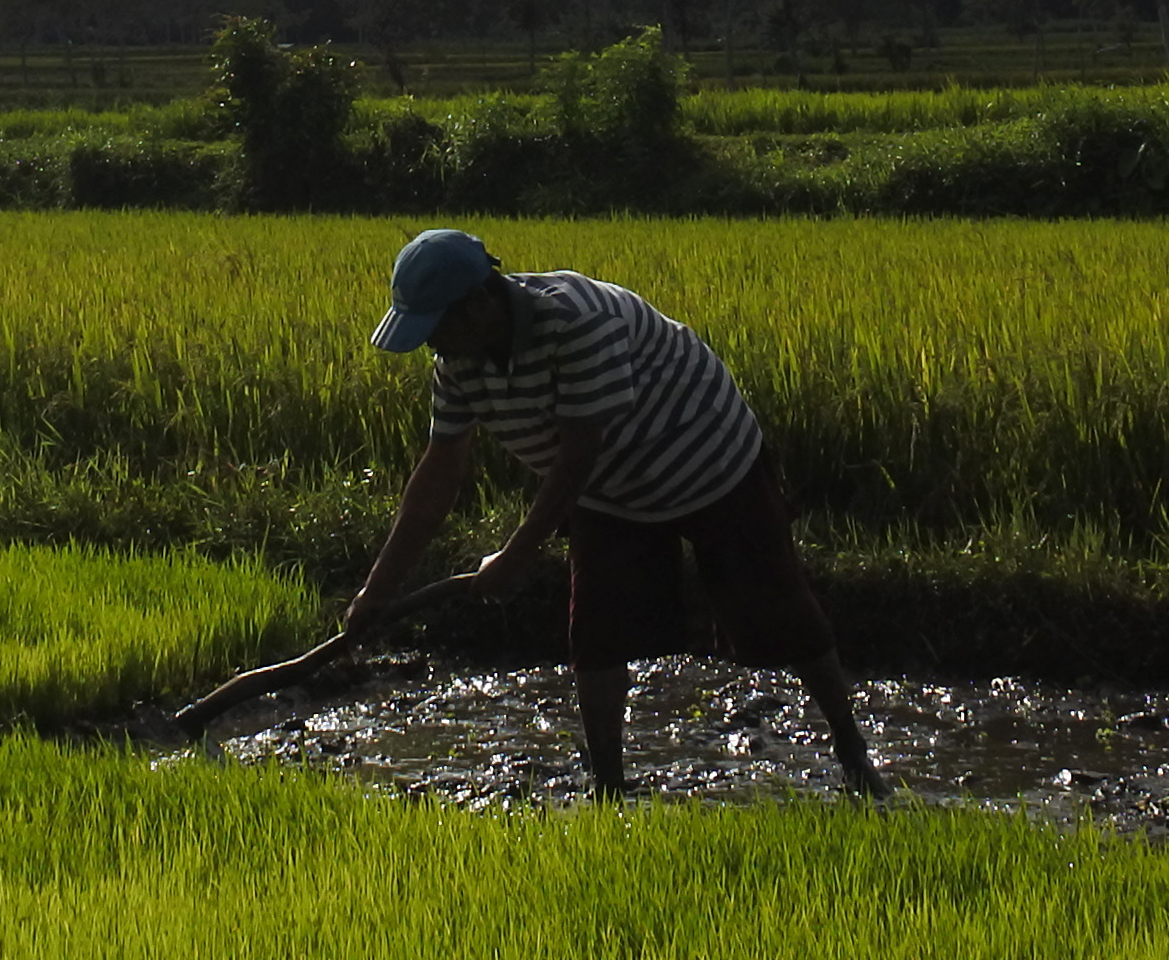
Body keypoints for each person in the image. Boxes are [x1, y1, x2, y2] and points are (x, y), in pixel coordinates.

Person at [347, 227, 886, 799]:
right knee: (598, 633)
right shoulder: (458, 359)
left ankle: (853, 754)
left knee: (776, 610)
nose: (434, 345)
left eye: (438, 327)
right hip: (609, 491)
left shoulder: (576, 321)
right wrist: (377, 590)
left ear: (481, 301)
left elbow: (581, 450)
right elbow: (439, 473)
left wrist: (517, 554)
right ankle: (608, 791)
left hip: (709, 461)